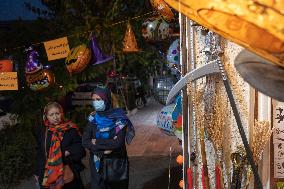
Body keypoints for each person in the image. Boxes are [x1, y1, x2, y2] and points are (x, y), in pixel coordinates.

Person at [82, 86, 135, 189]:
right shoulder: (92, 118)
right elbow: (85, 141)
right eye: (93, 100)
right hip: (97, 166)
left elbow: (118, 143)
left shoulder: (119, 119)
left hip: (116, 165)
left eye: (98, 99)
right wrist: (103, 151)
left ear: (106, 99)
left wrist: (96, 142)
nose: (95, 102)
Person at [35, 102, 86, 189]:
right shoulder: (43, 132)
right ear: (46, 116)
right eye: (51, 115)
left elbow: (81, 148)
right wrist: (37, 172)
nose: (55, 117)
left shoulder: (70, 129)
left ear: (61, 113)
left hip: (68, 172)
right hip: (48, 174)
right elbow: (40, 153)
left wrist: (68, 152)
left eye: (57, 113)